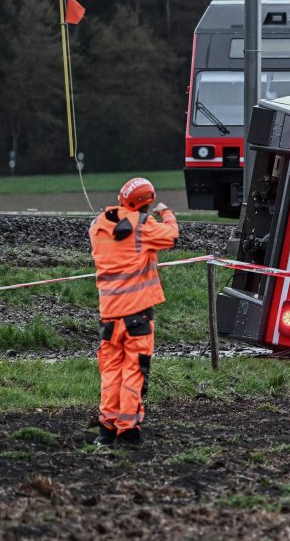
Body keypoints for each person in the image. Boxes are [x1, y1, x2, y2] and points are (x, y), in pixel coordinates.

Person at [88, 178, 179, 445]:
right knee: (134, 372)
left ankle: (107, 429)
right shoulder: (143, 226)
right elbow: (172, 236)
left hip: (109, 315)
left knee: (111, 372)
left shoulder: (99, 225)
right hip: (137, 316)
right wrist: (166, 213)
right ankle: (128, 431)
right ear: (146, 204)